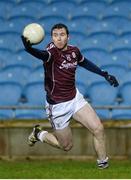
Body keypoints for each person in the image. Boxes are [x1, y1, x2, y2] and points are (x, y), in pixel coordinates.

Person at [21, 23, 119, 169]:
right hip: (58, 105)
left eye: (62, 35)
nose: (58, 38)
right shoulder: (51, 52)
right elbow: (41, 55)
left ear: (68, 37)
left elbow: (85, 62)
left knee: (98, 128)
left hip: (74, 99)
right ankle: (38, 134)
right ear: (52, 37)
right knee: (66, 146)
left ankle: (103, 165)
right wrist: (29, 49)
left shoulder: (74, 51)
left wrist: (104, 74)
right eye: (55, 35)